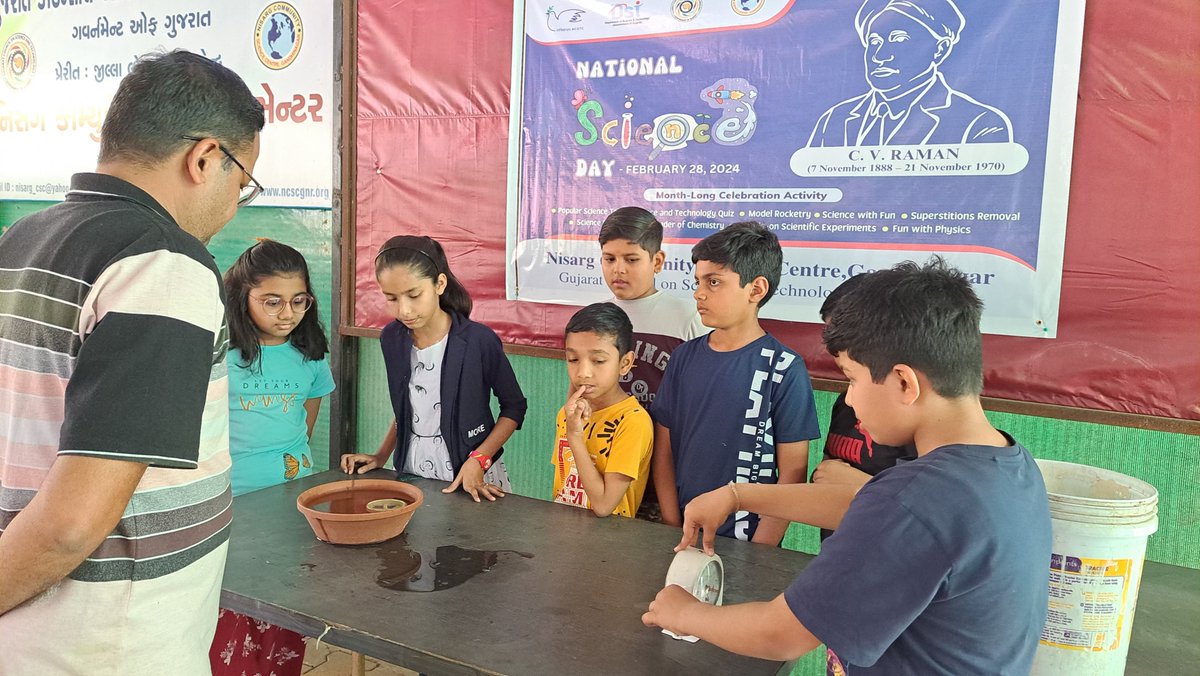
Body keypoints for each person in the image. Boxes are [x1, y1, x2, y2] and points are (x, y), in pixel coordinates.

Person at [643, 258, 1053, 675]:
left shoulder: (914, 503)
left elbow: (779, 634)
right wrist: (738, 495)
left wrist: (684, 613)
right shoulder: (1006, 463)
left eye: (852, 379)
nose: (850, 399)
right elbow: (865, 504)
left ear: (905, 382)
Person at [0, 49, 264, 674]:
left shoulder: (21, 239)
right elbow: (71, 524)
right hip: (108, 645)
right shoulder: (162, 265)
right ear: (205, 158)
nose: (234, 207)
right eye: (242, 184)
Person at [209, 240, 334, 675]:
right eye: (272, 301)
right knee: (228, 616)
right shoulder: (219, 355)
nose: (287, 313)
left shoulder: (310, 357)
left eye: (299, 301)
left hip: (290, 506)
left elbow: (304, 428)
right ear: (241, 298)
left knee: (283, 615)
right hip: (228, 506)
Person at [650, 222, 820, 542]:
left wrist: (761, 548)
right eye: (698, 281)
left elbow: (793, 473)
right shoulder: (683, 357)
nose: (699, 293)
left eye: (714, 282)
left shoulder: (784, 368)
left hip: (749, 542)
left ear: (756, 290)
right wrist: (673, 525)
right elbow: (664, 452)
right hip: (682, 534)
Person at [341, 235, 527, 502]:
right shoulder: (391, 338)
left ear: (440, 284)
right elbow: (407, 409)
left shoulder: (478, 340)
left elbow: (514, 408)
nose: (404, 310)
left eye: (414, 295)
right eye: (391, 298)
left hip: (474, 475)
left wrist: (480, 459)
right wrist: (381, 455)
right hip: (411, 471)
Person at [598, 206, 706, 521]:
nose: (618, 269)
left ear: (657, 261)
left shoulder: (688, 318)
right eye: (609, 259)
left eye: (631, 259)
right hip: (609, 464)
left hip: (666, 468)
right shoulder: (597, 317)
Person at [806, 0, 1013, 147]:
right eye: (874, 41)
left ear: (940, 49)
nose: (880, 56)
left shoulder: (979, 123)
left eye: (898, 39)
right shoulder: (834, 120)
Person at [811, 274, 915, 540]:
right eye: (829, 334)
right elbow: (826, 473)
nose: (832, 348)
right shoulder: (845, 402)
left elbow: (920, 511)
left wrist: (859, 485)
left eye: (841, 336)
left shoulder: (912, 422)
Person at [552, 302, 654, 518]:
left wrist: (574, 436)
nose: (583, 372)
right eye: (573, 359)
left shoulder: (632, 421)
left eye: (598, 360)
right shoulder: (567, 415)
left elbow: (604, 506)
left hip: (608, 537)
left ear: (625, 363)